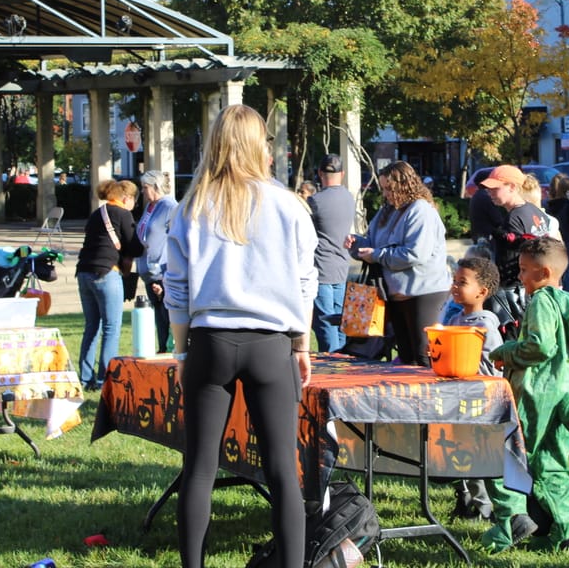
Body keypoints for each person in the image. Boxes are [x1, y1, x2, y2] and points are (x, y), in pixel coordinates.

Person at [163, 104, 318, 568]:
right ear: (260, 147)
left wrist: (180, 346)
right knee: (282, 471)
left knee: (199, 468)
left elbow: (177, 286)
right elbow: (306, 279)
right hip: (271, 343)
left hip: (210, 340)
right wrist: (301, 343)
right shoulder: (289, 204)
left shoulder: (193, 204)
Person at [486, 237, 569, 554]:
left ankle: (514, 521)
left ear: (542, 272)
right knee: (553, 464)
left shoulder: (541, 301)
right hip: (563, 395)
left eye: (524, 270)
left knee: (512, 458)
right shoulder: (568, 300)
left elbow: (540, 346)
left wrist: (507, 351)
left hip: (536, 398)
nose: (521, 276)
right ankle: (565, 533)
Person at [346, 161, 449, 365]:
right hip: (396, 295)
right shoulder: (388, 211)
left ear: (404, 185)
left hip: (424, 293)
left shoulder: (421, 210)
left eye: (389, 188)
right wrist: (357, 243)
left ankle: (429, 396)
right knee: (406, 355)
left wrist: (376, 255)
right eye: (383, 188)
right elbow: (374, 242)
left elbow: (415, 254)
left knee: (423, 355)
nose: (386, 194)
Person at [440, 255, 503, 521]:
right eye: (454, 281)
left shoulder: (484, 325)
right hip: (457, 399)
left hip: (478, 401)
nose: (455, 286)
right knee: (457, 451)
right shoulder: (455, 320)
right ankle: (466, 498)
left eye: (462, 282)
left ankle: (485, 506)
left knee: (478, 454)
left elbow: (493, 367)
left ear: (482, 292)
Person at [76, 179, 145, 389]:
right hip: (107, 273)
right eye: (134, 200)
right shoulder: (123, 214)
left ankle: (86, 377)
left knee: (91, 327)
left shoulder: (99, 213)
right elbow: (135, 247)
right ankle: (104, 377)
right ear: (127, 198)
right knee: (111, 327)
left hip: (84, 272)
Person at [480, 165, 549, 338]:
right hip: (535, 288)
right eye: (488, 189)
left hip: (514, 293)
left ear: (512, 187)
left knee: (513, 342)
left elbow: (514, 258)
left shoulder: (514, 218)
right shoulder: (534, 211)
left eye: (495, 188)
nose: (490, 193)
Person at [308, 154, 355, 354]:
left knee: (325, 322)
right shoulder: (348, 197)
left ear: (320, 174)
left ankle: (332, 363)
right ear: (342, 174)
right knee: (340, 320)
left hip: (321, 268)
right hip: (342, 267)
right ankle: (343, 361)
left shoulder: (314, 201)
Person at [136, 170, 178, 354]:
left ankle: (168, 354)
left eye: (145, 187)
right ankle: (161, 352)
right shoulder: (150, 207)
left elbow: (175, 238)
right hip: (148, 272)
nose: (142, 191)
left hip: (162, 272)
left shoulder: (169, 206)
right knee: (158, 320)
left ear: (156, 187)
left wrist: (164, 270)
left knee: (167, 320)